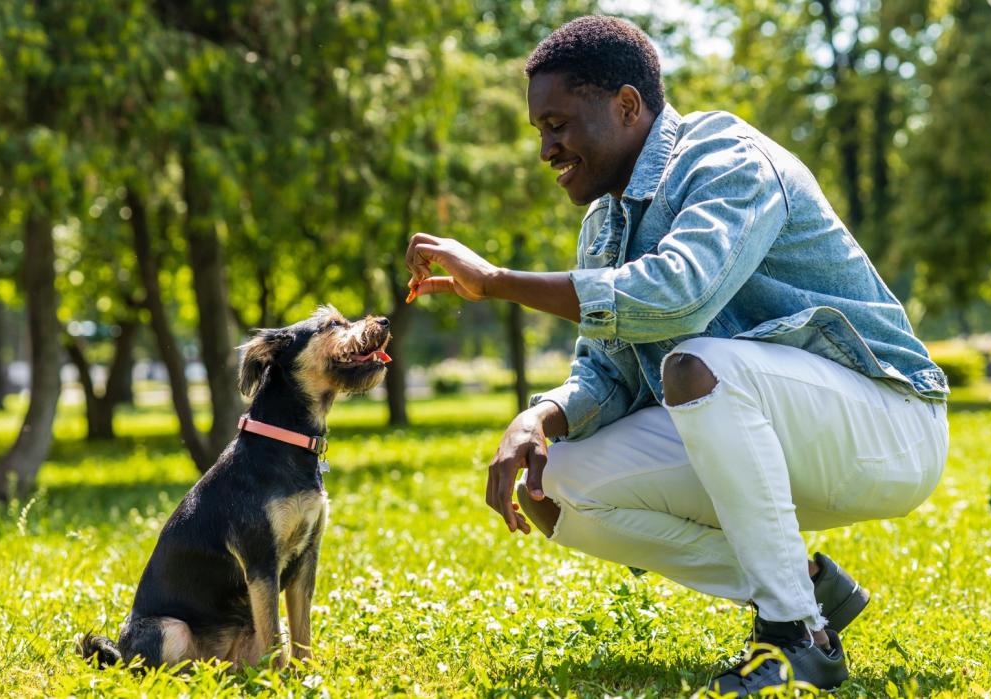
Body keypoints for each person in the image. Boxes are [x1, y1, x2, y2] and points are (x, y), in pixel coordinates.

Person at [404, 15, 949, 695]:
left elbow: (676, 295)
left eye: (558, 124)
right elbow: (606, 371)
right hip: (764, 421)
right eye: (539, 130)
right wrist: (541, 416)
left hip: (888, 422)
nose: (546, 148)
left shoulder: (727, 159)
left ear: (627, 105)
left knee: (694, 362)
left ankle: (795, 636)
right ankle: (804, 590)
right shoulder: (604, 224)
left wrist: (497, 283)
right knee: (557, 483)